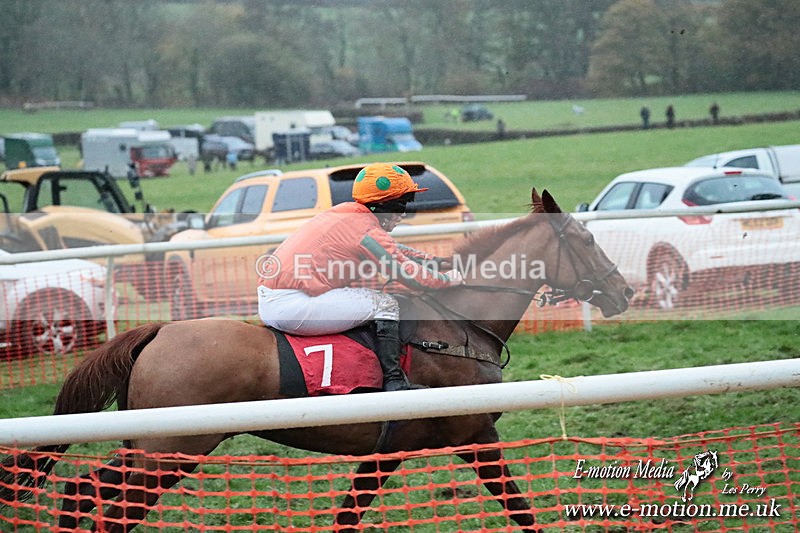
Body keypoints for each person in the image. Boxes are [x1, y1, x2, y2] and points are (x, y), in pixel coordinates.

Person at [257, 163, 463, 391]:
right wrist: (448, 279)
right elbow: (409, 277)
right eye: (401, 204)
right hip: (293, 305)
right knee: (386, 304)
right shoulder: (365, 229)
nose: (403, 213)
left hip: (276, 300)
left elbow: (394, 249)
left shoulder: (349, 213)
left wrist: (435, 262)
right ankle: (394, 381)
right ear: (383, 205)